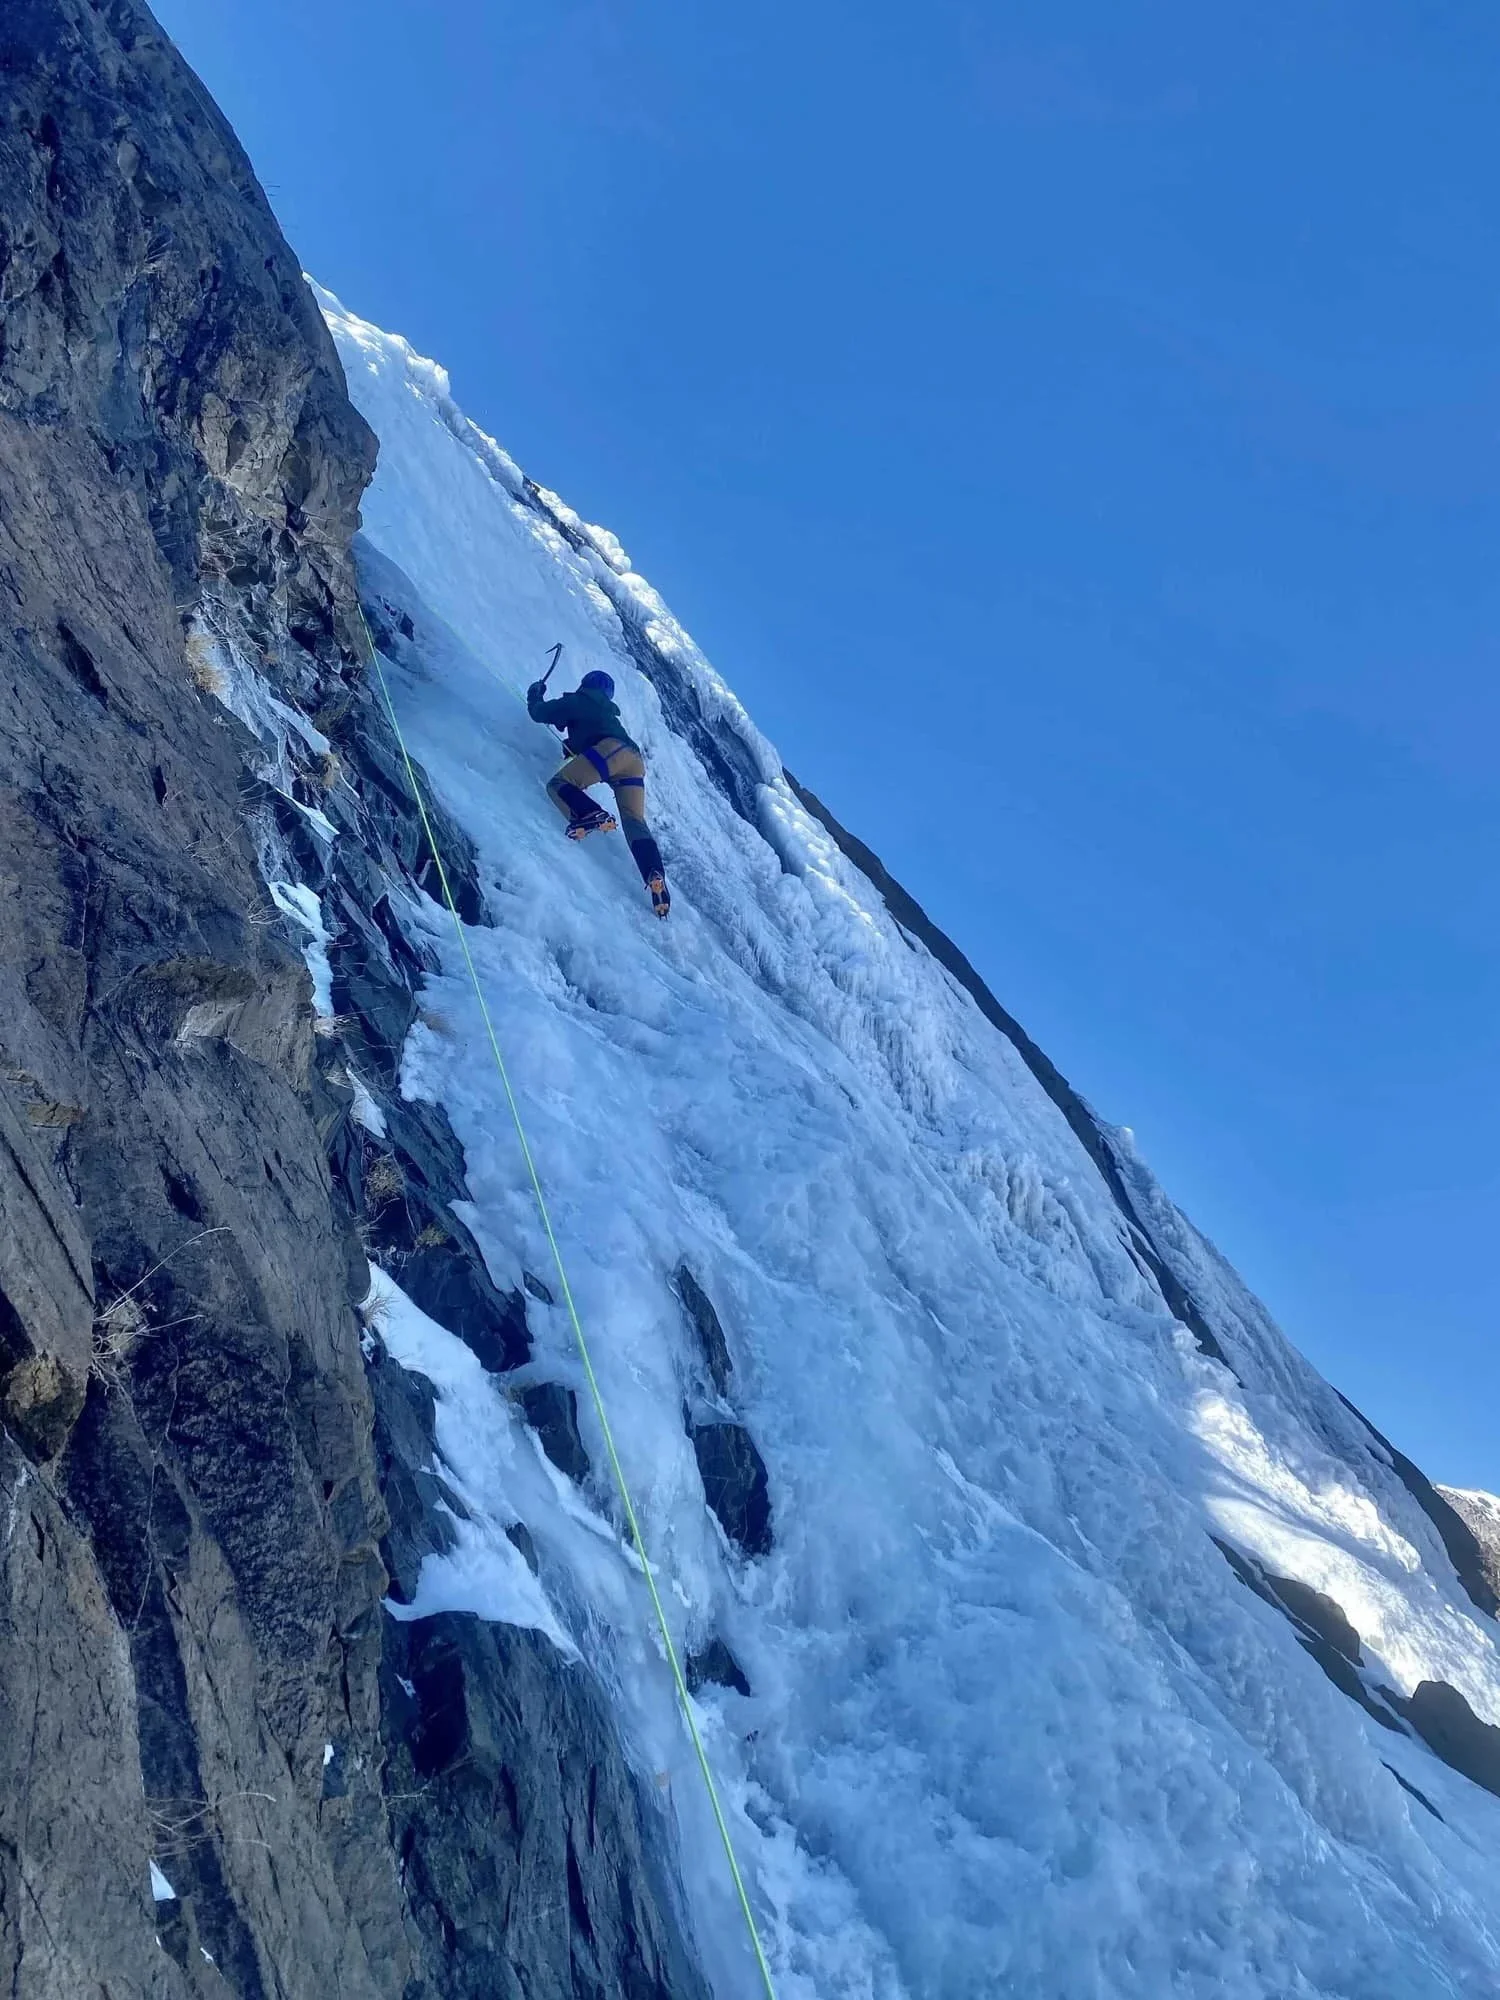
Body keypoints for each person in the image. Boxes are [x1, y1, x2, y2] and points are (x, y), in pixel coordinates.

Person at [526, 667, 670, 919]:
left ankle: (590, 815)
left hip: (611, 751)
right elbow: (589, 734)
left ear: (585, 684)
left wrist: (535, 694)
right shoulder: (605, 712)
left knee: (559, 784)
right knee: (634, 821)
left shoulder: (580, 700)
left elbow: (540, 713)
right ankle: (654, 875)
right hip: (633, 761)